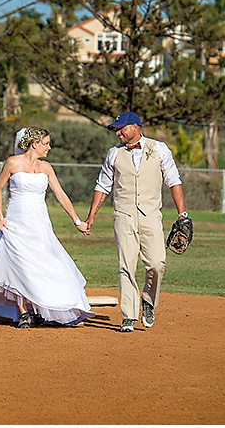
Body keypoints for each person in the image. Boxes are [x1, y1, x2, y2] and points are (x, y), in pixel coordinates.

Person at [0, 127, 95, 328]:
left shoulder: (46, 168)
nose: (49, 147)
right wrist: (0, 217)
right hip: (15, 222)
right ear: (35, 144)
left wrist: (77, 221)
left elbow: (61, 195)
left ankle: (39, 307)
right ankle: (23, 312)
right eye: (46, 143)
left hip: (39, 224)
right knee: (19, 265)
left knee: (41, 266)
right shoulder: (12, 163)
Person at [84, 112, 188, 332]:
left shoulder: (159, 149)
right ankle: (128, 315)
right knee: (126, 265)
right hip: (123, 214)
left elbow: (174, 182)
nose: (118, 133)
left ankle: (148, 300)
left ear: (134, 127)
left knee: (157, 263)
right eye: (116, 129)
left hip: (151, 214)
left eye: (121, 128)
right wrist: (91, 216)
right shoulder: (113, 154)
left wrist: (182, 215)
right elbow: (103, 186)